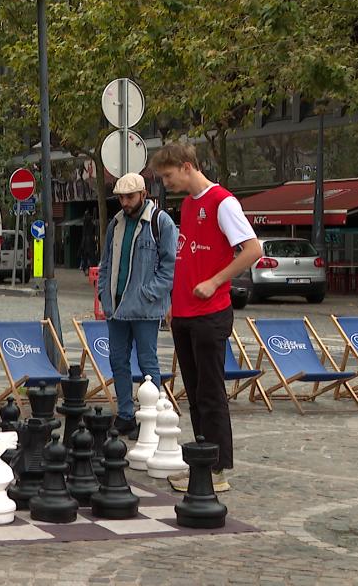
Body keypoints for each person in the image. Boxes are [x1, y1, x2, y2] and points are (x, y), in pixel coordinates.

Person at [150, 143, 261, 493]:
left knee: (211, 393)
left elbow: (253, 250)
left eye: (168, 175)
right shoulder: (187, 204)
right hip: (184, 312)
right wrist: (174, 300)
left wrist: (215, 281)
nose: (165, 182)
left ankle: (217, 469)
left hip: (210, 313)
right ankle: (201, 463)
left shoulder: (222, 202)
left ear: (187, 167)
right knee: (195, 393)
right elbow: (187, 255)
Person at [97, 173, 177, 439]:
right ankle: (125, 415)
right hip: (116, 306)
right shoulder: (116, 223)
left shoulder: (160, 222)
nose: (124, 202)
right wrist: (103, 293)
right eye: (121, 197)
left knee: (147, 362)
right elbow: (106, 261)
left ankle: (150, 416)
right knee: (118, 360)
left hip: (144, 308)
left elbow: (170, 267)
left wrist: (149, 293)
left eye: (129, 197)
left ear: (143, 194)